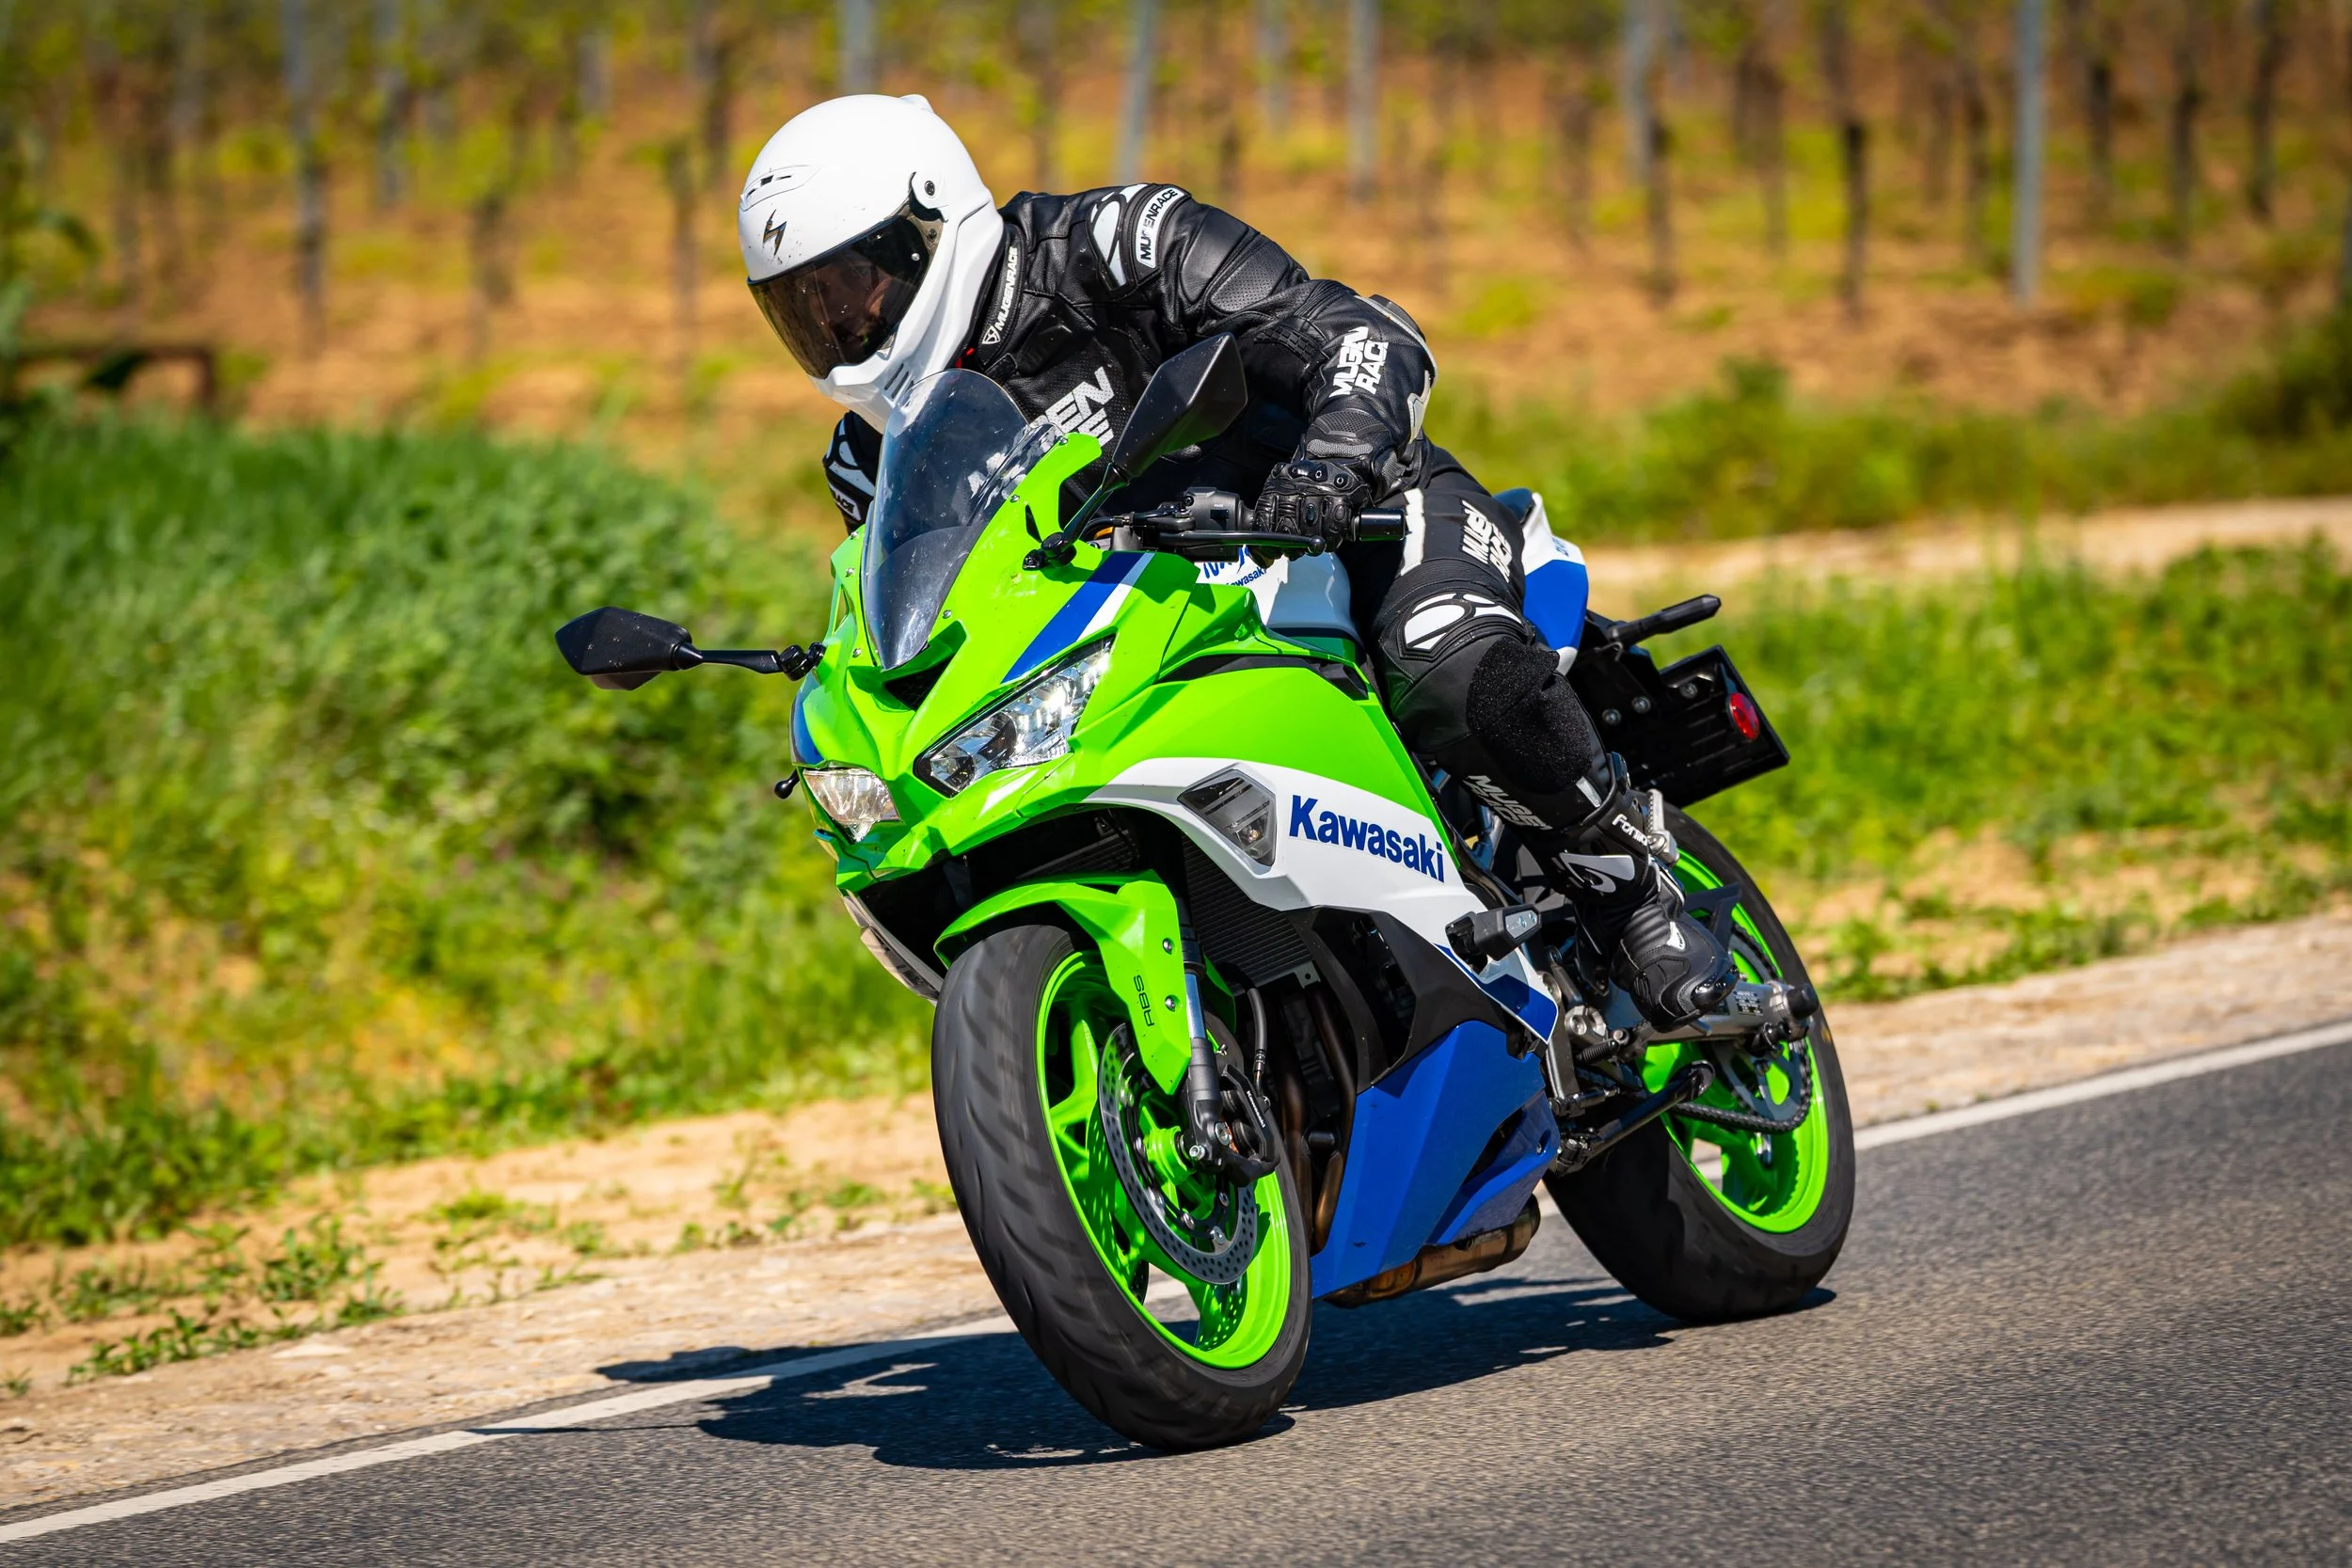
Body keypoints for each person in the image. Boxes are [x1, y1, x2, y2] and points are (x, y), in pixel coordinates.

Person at [737, 94, 1730, 1029]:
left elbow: (1358, 334)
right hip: (1153, 624)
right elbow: (929, 600)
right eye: (803, 309)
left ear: (928, 224)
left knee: (1442, 656)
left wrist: (1329, 468)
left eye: (853, 287)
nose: (839, 329)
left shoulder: (1114, 245)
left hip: (1354, 522)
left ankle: (1630, 886)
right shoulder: (866, 454)